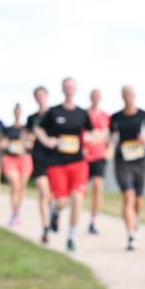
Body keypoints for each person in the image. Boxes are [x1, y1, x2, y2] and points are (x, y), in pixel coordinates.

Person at [35, 77, 93, 252]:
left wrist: (92, 138)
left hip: (78, 163)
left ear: (75, 89)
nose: (69, 89)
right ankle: (55, 211)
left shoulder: (82, 113)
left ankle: (71, 236)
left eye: (72, 86)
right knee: (61, 202)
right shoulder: (53, 112)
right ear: (62, 89)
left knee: (77, 197)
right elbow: (39, 128)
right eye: (66, 86)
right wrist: (47, 140)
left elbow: (93, 132)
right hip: (57, 163)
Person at [109, 85, 145, 250]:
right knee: (128, 197)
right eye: (125, 95)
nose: (128, 97)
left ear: (135, 96)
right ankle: (131, 234)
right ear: (122, 96)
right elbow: (111, 137)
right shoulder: (116, 117)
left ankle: (136, 219)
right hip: (122, 160)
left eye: (131, 95)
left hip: (140, 160)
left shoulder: (143, 115)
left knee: (138, 200)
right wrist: (109, 147)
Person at [26, 86, 56, 244]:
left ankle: (54, 214)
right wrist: (28, 143)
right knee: (44, 193)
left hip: (56, 158)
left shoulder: (55, 114)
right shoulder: (32, 119)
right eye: (37, 95)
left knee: (55, 195)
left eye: (42, 95)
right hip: (38, 157)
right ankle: (45, 228)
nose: (40, 98)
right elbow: (26, 137)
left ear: (47, 96)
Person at [2, 103, 34, 227]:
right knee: (15, 185)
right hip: (11, 158)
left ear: (21, 113)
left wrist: (26, 143)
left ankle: (17, 212)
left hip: (25, 159)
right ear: (13, 112)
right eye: (16, 111)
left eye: (19, 111)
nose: (17, 113)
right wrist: (5, 144)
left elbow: (31, 143)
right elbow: (3, 142)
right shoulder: (8, 129)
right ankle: (14, 212)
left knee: (21, 187)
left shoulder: (26, 129)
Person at [84, 88, 111, 235]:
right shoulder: (84, 114)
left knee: (98, 187)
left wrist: (109, 150)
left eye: (98, 96)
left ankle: (93, 221)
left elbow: (111, 136)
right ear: (90, 97)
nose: (96, 98)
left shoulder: (106, 116)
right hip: (84, 157)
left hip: (99, 156)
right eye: (94, 96)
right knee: (82, 190)